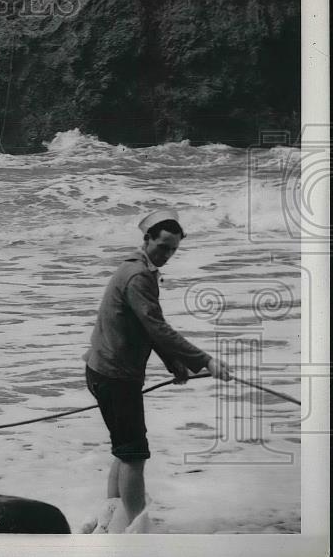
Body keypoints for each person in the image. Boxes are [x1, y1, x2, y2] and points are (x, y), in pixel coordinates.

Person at [83, 210, 231, 532]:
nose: (166, 255)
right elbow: (158, 327)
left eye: (173, 250)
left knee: (125, 449)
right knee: (134, 455)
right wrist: (205, 361)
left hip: (103, 370)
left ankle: (110, 519)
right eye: (162, 246)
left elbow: (145, 327)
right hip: (115, 376)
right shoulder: (139, 277)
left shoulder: (137, 268)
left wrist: (172, 362)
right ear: (146, 239)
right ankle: (139, 532)